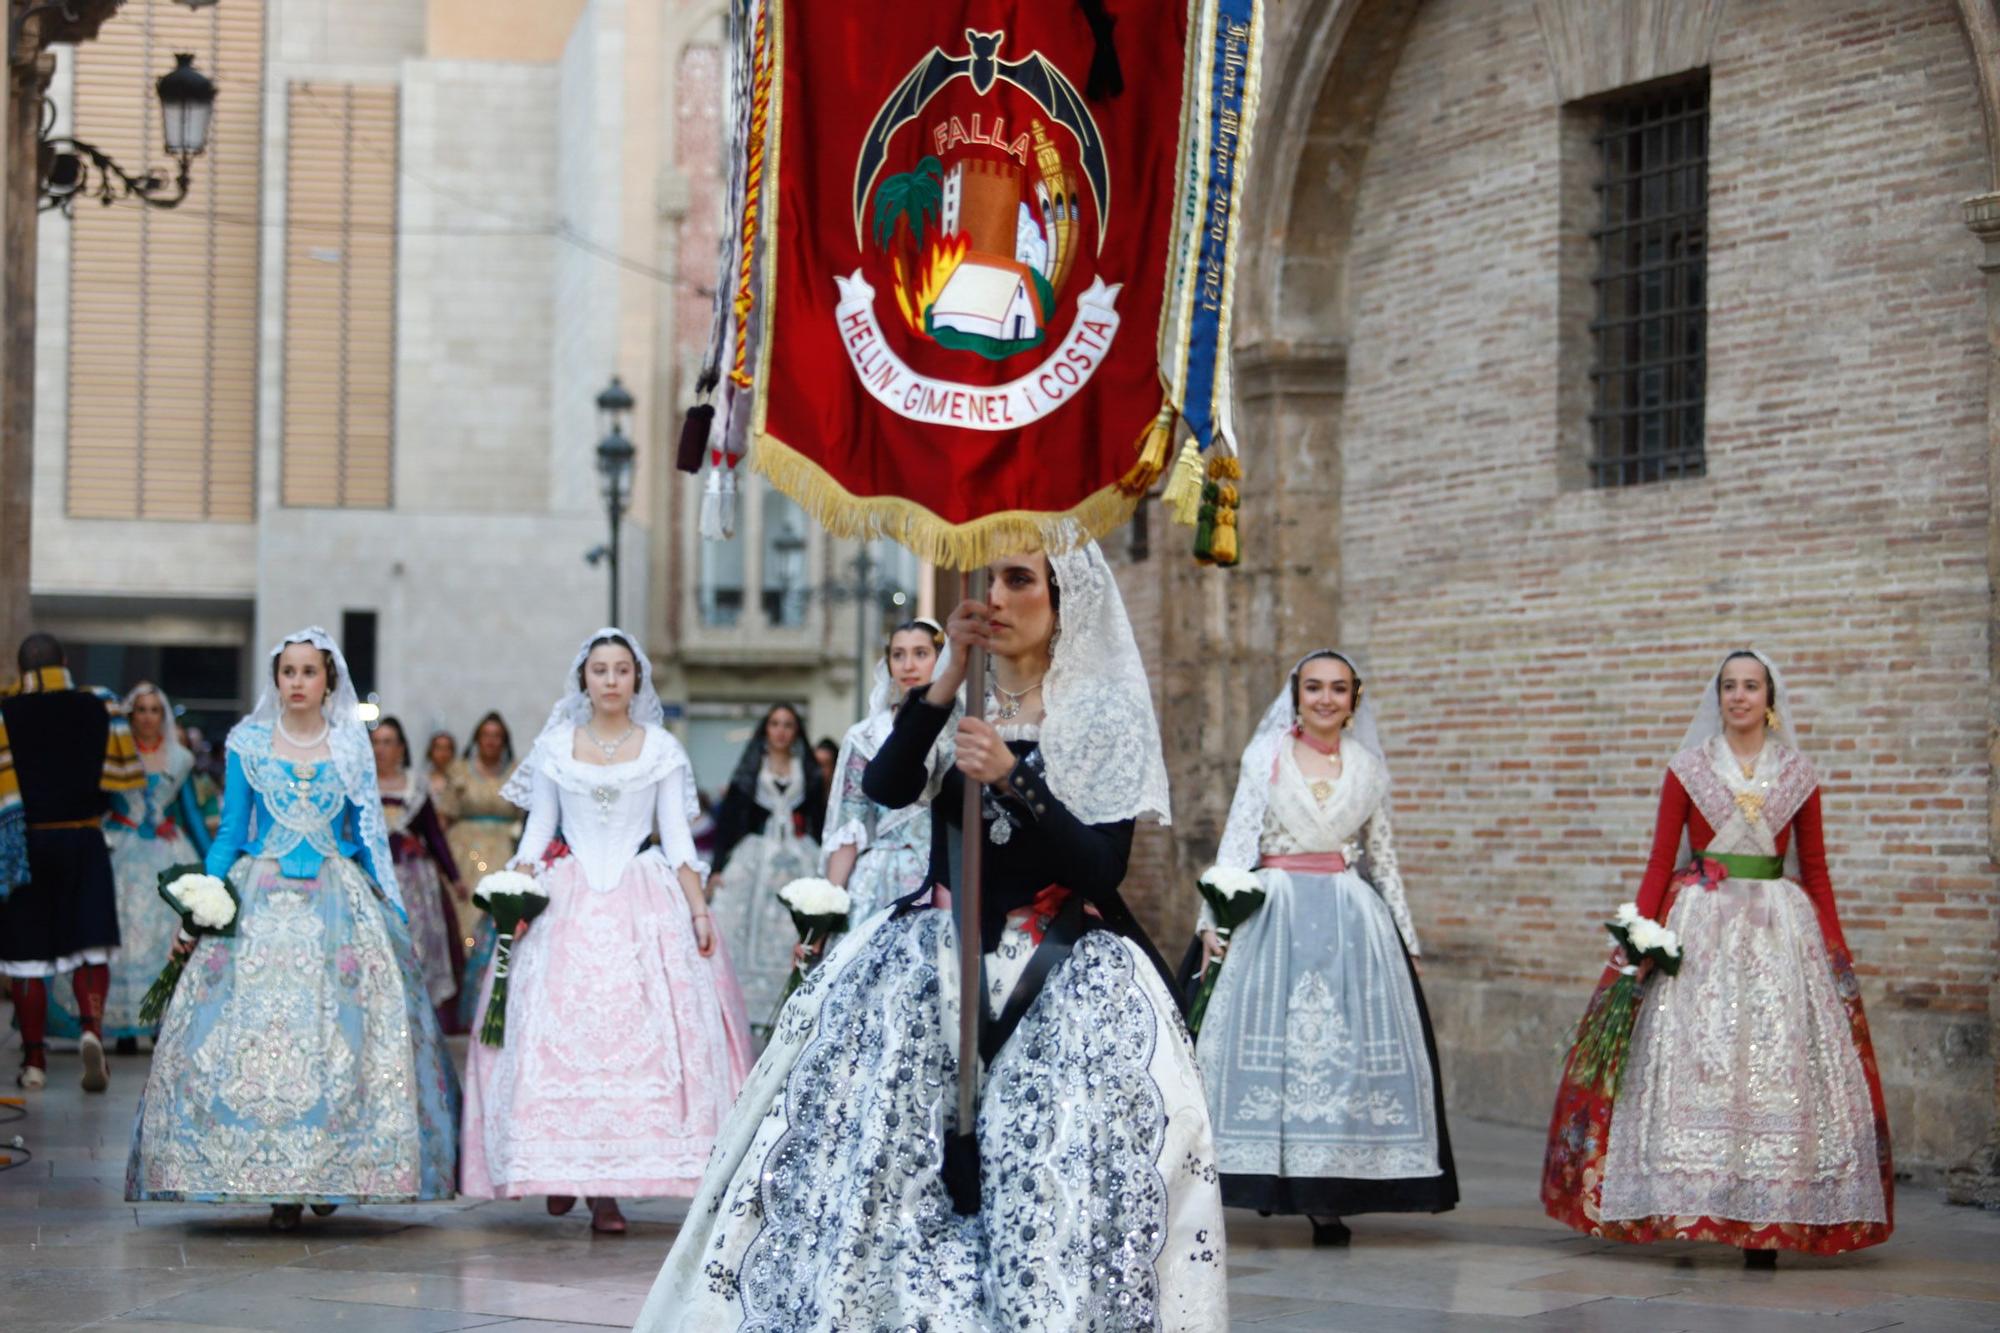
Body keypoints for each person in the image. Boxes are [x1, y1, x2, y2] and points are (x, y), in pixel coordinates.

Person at [633, 543, 1226, 1332]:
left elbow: (1103, 866)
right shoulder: (960, 696)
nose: (998, 597)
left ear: (1064, 601)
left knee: (1043, 1162)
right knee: (885, 1164)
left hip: (1061, 969)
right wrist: (947, 675)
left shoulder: (1100, 712)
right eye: (988, 580)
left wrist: (1016, 778)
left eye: (1019, 580)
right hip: (927, 958)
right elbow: (883, 789)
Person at [1543, 651, 1892, 1262]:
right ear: (1718, 698)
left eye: (1751, 686)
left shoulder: (1797, 775)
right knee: (1696, 1055)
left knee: (1773, 1059)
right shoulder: (1688, 769)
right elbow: (1659, 860)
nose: (1739, 696)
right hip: (1701, 926)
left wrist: (1837, 951)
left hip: (1779, 933)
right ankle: (1689, 1203)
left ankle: (1771, 1213)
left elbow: (1817, 870)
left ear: (1769, 698)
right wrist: (1638, 939)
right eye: (1729, 686)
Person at [126, 628, 459, 1230]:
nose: (298, 682)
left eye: (309, 672)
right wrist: (204, 902)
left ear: (328, 680)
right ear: (276, 680)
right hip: (259, 896)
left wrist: (393, 910)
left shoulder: (350, 748)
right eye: (288, 672)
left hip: (338, 900)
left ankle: (332, 1167)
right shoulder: (249, 743)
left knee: (345, 1034)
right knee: (246, 1034)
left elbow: (366, 837)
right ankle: (281, 1183)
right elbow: (229, 831)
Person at [459, 629, 753, 1235]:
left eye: (622, 670)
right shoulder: (554, 748)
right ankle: (563, 1171)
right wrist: (514, 890)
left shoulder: (663, 749)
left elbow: (676, 839)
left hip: (644, 904)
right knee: (556, 1040)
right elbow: (538, 831)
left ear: (636, 681)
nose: (611, 680)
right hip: (564, 901)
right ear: (584, 679)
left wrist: (698, 910)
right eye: (600, 670)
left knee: (634, 1044)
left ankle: (608, 1191)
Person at [1192, 650, 1457, 1246]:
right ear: (1296, 694)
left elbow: (1382, 854)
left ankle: (1326, 1192)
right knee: (1273, 1052)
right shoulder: (1265, 756)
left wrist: (1407, 939)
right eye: (1314, 687)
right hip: (1273, 913)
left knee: (1341, 1058)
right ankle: (1257, 1176)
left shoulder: (1368, 767)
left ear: (1354, 698)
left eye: (1339, 689)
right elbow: (1237, 837)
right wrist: (1215, 918)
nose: (1325, 699)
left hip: (1348, 917)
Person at [0, 633, 145, 1091]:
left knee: (26, 957)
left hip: (25, 844)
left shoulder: (5, 711)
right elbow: (123, 780)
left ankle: (36, 1060)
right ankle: (91, 1032)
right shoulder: (100, 706)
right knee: (90, 944)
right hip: (84, 838)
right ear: (64, 662)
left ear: (22, 669)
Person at [48, 683, 212, 1053]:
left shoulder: (180, 758)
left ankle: (158, 1021)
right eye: (141, 709)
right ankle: (117, 1027)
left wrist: (214, 865)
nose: (149, 717)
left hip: (167, 854)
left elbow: (189, 813)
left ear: (163, 716)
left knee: (164, 937)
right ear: (129, 714)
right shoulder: (113, 753)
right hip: (118, 847)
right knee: (114, 933)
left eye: (156, 709)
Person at [819, 619, 947, 924]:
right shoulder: (864, 737)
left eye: (920, 653)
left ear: (941, 659)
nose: (908, 665)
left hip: (943, 877)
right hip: (876, 881)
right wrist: (824, 910)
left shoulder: (959, 731)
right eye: (898, 655)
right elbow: (850, 825)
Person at [708, 703, 825, 1022]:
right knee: (740, 919)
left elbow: (820, 817)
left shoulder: (806, 769)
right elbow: (729, 820)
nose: (781, 730)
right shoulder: (752, 769)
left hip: (798, 853)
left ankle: (794, 993)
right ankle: (744, 996)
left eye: (788, 724)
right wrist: (718, 867)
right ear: (765, 730)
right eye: (775, 723)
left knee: (796, 920)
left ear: (796, 731)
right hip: (756, 854)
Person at [372, 716, 465, 1025]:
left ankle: (417, 1017)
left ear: (401, 748)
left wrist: (455, 877)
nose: (381, 749)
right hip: (372, 879)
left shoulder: (415, 785)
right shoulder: (360, 783)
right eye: (376, 742)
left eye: (388, 742)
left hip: (413, 880)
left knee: (418, 946)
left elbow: (434, 835)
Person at [445, 712, 520, 1031]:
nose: (491, 741)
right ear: (476, 740)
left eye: (497, 736)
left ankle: (493, 1001)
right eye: (485, 735)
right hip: (464, 854)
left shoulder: (517, 774)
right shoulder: (459, 772)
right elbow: (444, 817)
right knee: (465, 925)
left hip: (504, 852)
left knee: (498, 924)